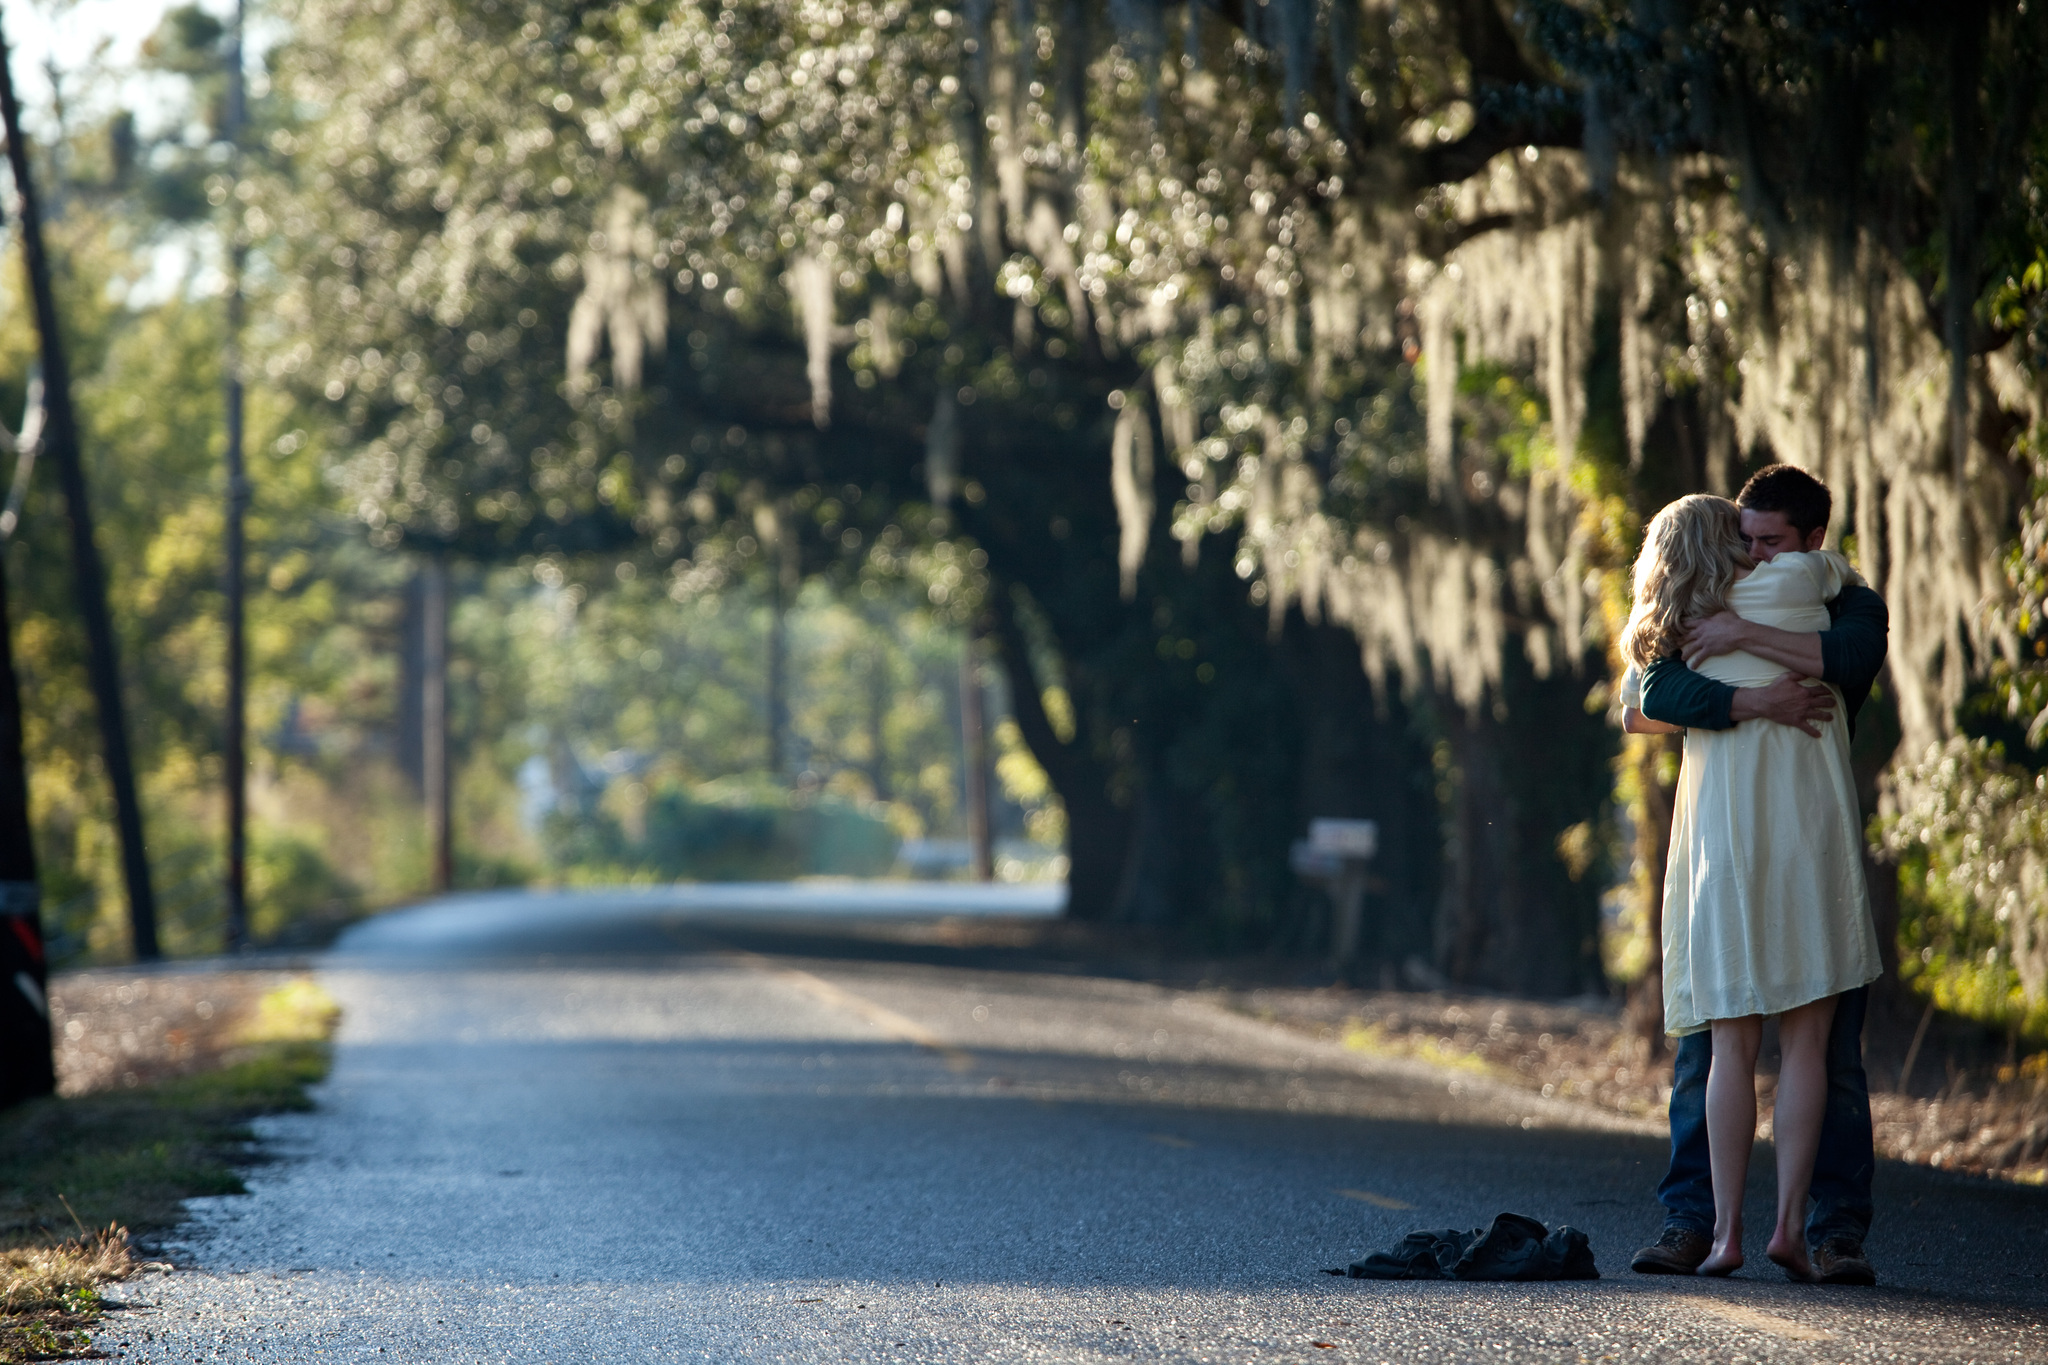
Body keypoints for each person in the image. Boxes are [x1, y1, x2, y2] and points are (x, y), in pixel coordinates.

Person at [1624, 465, 1889, 1285]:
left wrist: (1742, 646)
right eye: (1743, 538)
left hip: (1753, 830)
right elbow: (1647, 700)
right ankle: (1700, 1220)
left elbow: (1848, 655)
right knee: (1738, 1043)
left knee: (1799, 1046)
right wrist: (1754, 700)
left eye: (1769, 541)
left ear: (1813, 538)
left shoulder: (1840, 598)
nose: (1752, 553)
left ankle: (1821, 1228)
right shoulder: (1746, 593)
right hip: (1796, 828)